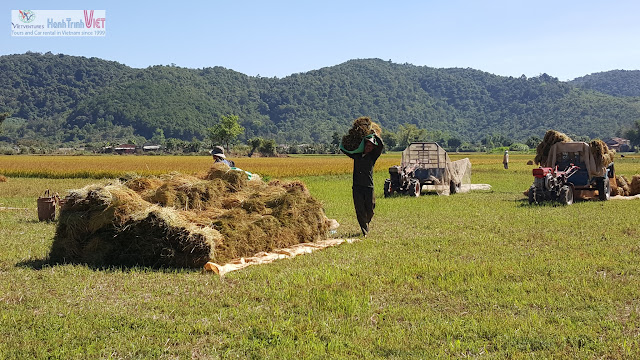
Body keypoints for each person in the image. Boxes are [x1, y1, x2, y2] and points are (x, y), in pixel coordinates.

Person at [342, 134, 384, 237]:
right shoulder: (357, 156)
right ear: (364, 145)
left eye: (371, 146)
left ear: (373, 147)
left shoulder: (372, 157)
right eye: (367, 145)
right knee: (359, 209)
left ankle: (366, 223)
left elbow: (381, 146)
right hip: (357, 187)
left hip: (368, 187)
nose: (368, 147)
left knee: (370, 209)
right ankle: (364, 231)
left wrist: (374, 134)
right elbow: (346, 150)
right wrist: (343, 142)